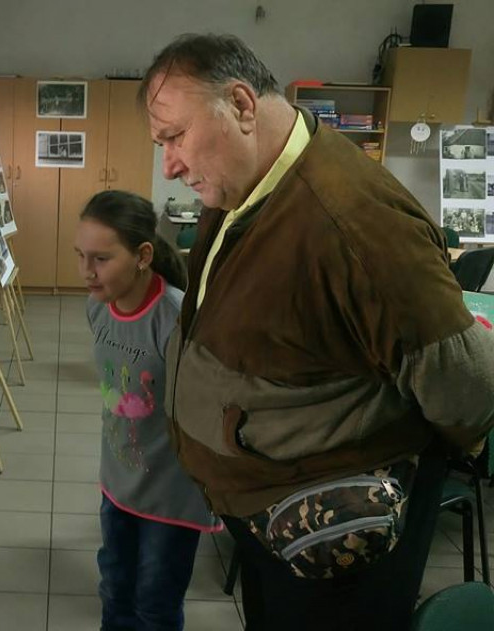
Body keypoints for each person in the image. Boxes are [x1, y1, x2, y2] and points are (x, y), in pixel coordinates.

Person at [140, 34, 494, 630]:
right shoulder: (246, 183)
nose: (169, 164)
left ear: (243, 106)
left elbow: (469, 387)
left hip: (331, 537)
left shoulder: (355, 224)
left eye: (175, 137)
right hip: (266, 511)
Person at [75, 190, 221, 631]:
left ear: (142, 255)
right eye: (80, 256)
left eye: (101, 259)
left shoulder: (177, 319)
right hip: (118, 484)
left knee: (154, 605)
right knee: (115, 593)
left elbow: (210, 414)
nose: (86, 272)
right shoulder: (98, 307)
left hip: (171, 496)